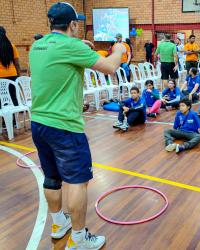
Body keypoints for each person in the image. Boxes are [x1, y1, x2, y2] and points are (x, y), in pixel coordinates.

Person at [29, 3, 127, 249]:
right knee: (77, 182)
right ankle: (80, 239)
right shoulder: (70, 46)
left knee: (52, 178)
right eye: (77, 23)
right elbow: (111, 68)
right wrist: (118, 49)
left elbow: (55, 56)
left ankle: (58, 224)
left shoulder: (37, 46)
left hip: (39, 123)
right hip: (64, 127)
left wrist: (78, 45)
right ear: (72, 25)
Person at [0, 26, 21, 107]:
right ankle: (14, 118)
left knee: (2, 99)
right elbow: (17, 63)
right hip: (12, 75)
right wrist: (19, 75)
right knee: (13, 97)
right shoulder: (11, 46)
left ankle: (5, 118)